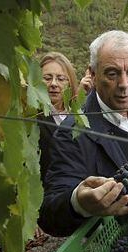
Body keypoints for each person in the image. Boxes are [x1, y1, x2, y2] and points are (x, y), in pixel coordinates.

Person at [38, 31, 128, 237]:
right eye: (112, 73)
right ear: (92, 74)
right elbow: (50, 213)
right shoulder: (72, 132)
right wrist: (77, 202)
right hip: (120, 245)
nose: (124, 84)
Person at [38, 52, 79, 186]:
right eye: (47, 78)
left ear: (70, 83)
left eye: (61, 79)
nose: (54, 84)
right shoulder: (30, 116)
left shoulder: (79, 116)